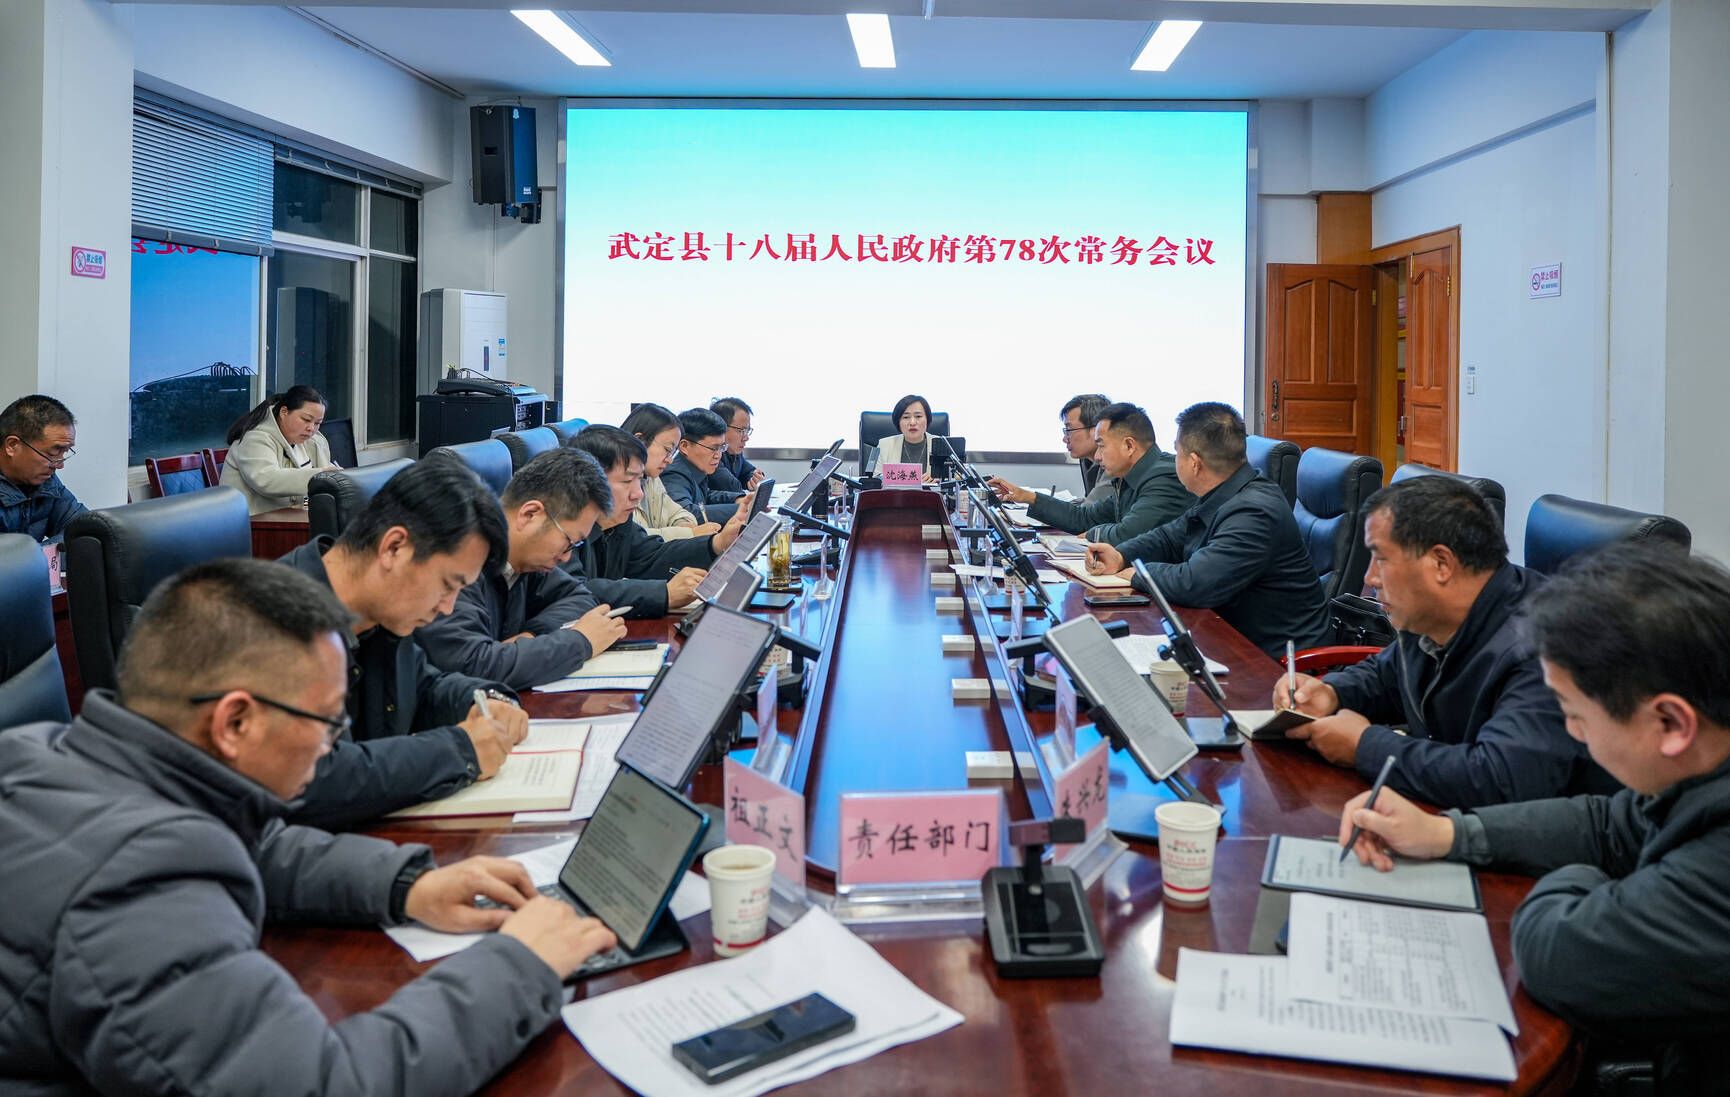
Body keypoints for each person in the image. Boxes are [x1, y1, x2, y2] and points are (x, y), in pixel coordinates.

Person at [0, 557, 617, 1096]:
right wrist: (520, 966)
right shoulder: (135, 890)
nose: (331, 747)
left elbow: (249, 844)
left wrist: (406, 884)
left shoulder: (46, 754)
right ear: (235, 722)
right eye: (326, 723)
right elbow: (321, 1084)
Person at [1335, 545, 1730, 1093]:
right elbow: (1609, 824)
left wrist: (1588, 879)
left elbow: (1555, 953)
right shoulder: (1700, 769)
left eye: (1576, 715)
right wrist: (1448, 832)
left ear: (1670, 723)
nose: (1571, 734)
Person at [1275, 475, 1618, 807]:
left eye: (1381, 559)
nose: (1370, 578)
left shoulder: (1545, 647)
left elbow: (1501, 779)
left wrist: (1366, 747)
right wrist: (1331, 692)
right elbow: (1386, 677)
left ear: (1441, 564)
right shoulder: (1432, 616)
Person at [277, 456, 528, 830]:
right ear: (394, 548)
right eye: (448, 585)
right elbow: (312, 778)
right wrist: (461, 750)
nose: (447, 608)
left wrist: (487, 699)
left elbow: (425, 688)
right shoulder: (275, 623)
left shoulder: (378, 617)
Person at [1086, 402, 1331, 657]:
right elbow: (1169, 537)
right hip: (1230, 638)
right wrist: (1121, 555)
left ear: (1194, 463)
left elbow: (1195, 583)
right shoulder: (1224, 492)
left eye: (1177, 452)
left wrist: (1138, 574)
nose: (1174, 459)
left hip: (1277, 663)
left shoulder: (1254, 512)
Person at [417, 448, 627, 690]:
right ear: (530, 514)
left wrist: (531, 635)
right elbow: (473, 665)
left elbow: (580, 597)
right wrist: (579, 642)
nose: (567, 556)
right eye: (570, 541)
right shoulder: (458, 559)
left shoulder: (527, 561)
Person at [565, 425, 748, 617]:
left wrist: (716, 543)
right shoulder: (564, 529)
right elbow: (577, 591)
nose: (638, 494)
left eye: (639, 480)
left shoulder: (618, 523)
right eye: (627, 481)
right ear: (589, 482)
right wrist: (664, 594)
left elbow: (651, 555)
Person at [987, 401, 1188, 546]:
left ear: (1129, 445)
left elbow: (1127, 534)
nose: (1097, 457)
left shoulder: (1164, 478)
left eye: (1101, 445)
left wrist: (1092, 534)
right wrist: (1026, 496)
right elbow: (1085, 517)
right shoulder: (1128, 478)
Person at [219, 385, 340, 514]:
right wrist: (319, 475)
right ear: (284, 412)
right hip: (250, 521)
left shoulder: (310, 442)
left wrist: (307, 508)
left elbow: (309, 495)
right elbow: (267, 480)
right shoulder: (254, 439)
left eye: (317, 423)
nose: (311, 428)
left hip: (287, 519)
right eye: (306, 419)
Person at [622, 401, 717, 541]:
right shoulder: (613, 482)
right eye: (667, 450)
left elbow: (678, 513)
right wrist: (689, 533)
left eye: (672, 452)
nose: (670, 460)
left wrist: (684, 526)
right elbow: (633, 539)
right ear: (639, 440)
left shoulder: (651, 477)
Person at [0, 393, 87, 541]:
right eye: (52, 453)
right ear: (12, 446)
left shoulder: (46, 481)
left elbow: (85, 528)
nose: (59, 465)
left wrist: (41, 552)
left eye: (65, 452)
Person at [662, 407, 751, 524]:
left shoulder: (695, 468)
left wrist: (739, 499)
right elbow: (687, 513)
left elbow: (705, 497)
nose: (718, 455)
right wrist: (741, 509)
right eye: (713, 448)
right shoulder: (674, 474)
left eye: (722, 447)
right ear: (684, 446)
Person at [1063, 393, 1117, 503]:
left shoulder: (1114, 462)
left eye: (1069, 430)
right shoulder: (1086, 459)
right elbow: (1090, 499)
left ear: (1097, 429)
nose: (1065, 439)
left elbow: (1090, 509)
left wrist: (1034, 499)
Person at [707, 396, 765, 495]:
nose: (746, 438)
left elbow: (748, 471)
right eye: (741, 431)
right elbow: (732, 488)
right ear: (720, 427)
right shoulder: (710, 454)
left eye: (747, 431)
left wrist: (754, 478)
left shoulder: (734, 451)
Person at [873, 393, 938, 479]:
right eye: (906, 417)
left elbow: (955, 477)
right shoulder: (884, 445)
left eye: (918, 416)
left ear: (927, 419)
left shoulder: (942, 445)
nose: (912, 423)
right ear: (898, 422)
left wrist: (939, 478)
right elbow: (875, 478)